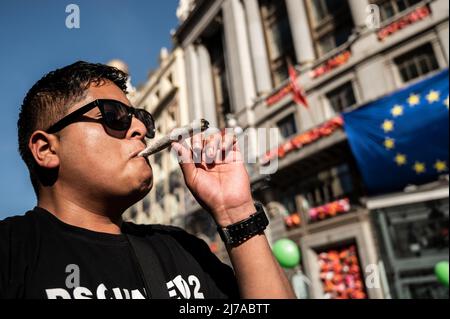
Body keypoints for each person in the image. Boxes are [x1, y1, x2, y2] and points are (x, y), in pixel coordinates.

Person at [0, 61, 295, 299]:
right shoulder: (11, 251)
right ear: (47, 149)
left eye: (141, 117)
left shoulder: (180, 249)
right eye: (115, 115)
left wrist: (236, 212)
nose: (140, 128)